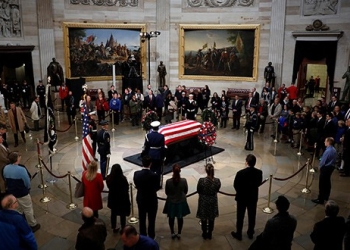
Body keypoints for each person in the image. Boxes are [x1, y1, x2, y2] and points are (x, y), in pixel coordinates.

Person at [3, 152, 40, 232]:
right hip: (22, 192)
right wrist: (27, 188)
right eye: (19, 156)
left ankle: (20, 222)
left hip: (12, 192)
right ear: (17, 159)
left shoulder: (5, 168)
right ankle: (32, 224)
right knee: (28, 209)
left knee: (17, 209)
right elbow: (27, 182)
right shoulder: (21, 169)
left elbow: (5, 179)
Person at [231, 154, 263, 241]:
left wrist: (240, 192)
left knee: (240, 216)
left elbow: (236, 185)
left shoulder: (240, 173)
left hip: (242, 198)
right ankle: (250, 233)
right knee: (252, 216)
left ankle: (239, 233)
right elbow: (258, 183)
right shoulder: (259, 173)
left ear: (246, 162)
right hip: (252, 197)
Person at [133, 155, 160, 239]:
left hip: (141, 199)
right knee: (151, 219)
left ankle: (143, 235)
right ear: (150, 164)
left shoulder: (137, 174)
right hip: (152, 199)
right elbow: (157, 187)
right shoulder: (155, 175)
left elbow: (136, 185)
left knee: (142, 218)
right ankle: (151, 236)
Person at [163, 164, 190, 239]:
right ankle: (179, 233)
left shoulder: (168, 181)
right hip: (180, 201)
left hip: (171, 202)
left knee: (171, 218)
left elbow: (167, 192)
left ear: (172, 171)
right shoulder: (184, 180)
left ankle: (172, 232)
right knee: (180, 218)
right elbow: (186, 191)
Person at [196, 163, 221, 240]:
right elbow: (217, 190)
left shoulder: (201, 181)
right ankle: (210, 233)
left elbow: (198, 190)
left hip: (204, 201)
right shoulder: (217, 181)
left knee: (203, 218)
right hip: (212, 201)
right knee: (211, 218)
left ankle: (204, 233)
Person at [106, 164, 130, 233]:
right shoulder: (123, 179)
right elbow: (126, 188)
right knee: (123, 215)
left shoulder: (109, 178)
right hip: (121, 199)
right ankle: (123, 227)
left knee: (113, 213)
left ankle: (114, 227)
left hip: (113, 199)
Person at [312, 137, 337, 204]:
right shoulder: (334, 149)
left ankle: (321, 199)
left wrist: (320, 166)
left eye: (325, 141)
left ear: (328, 142)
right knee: (327, 182)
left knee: (322, 183)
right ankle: (326, 196)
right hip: (331, 167)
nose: (324, 142)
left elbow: (323, 160)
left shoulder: (328, 151)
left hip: (326, 168)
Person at [143, 121, 165, 186]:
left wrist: (146, 155)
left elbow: (146, 147)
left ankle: (150, 183)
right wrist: (163, 157)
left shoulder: (148, 136)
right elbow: (162, 148)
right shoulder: (161, 136)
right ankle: (157, 184)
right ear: (158, 128)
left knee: (150, 169)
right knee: (158, 170)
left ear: (152, 128)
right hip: (158, 155)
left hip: (150, 154)